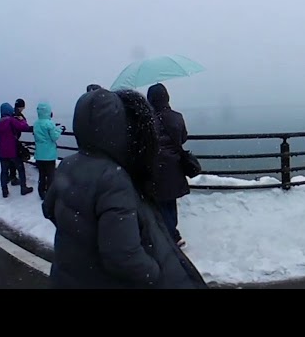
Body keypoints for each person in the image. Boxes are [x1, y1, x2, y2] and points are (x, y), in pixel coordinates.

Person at [41, 88, 207, 289]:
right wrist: (155, 273)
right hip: (100, 281)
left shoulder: (69, 164)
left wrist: (82, 235)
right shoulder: (113, 178)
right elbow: (122, 256)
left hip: (67, 274)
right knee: (168, 209)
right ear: (118, 130)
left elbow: (48, 209)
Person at [146, 83, 190, 247]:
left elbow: (143, 142)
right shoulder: (177, 116)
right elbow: (183, 138)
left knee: (157, 202)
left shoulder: (147, 119)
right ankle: (173, 234)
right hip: (174, 165)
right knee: (170, 202)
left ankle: (167, 236)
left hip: (154, 166)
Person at [0, 103, 34, 198]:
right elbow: (23, 127)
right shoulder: (11, 120)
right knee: (20, 168)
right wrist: (22, 120)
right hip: (13, 149)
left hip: (2, 150)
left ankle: (4, 190)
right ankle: (23, 188)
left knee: (4, 171)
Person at [33, 102, 65, 200]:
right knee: (50, 175)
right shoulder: (49, 123)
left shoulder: (36, 123)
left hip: (39, 154)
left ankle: (41, 192)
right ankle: (50, 194)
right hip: (49, 154)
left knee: (42, 175)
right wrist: (60, 130)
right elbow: (54, 137)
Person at [9, 98, 31, 186]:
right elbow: (24, 125)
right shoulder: (18, 115)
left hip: (8, 141)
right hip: (14, 140)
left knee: (11, 161)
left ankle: (12, 177)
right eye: (23, 107)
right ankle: (23, 186)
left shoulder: (10, 113)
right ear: (21, 107)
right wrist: (22, 120)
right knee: (19, 164)